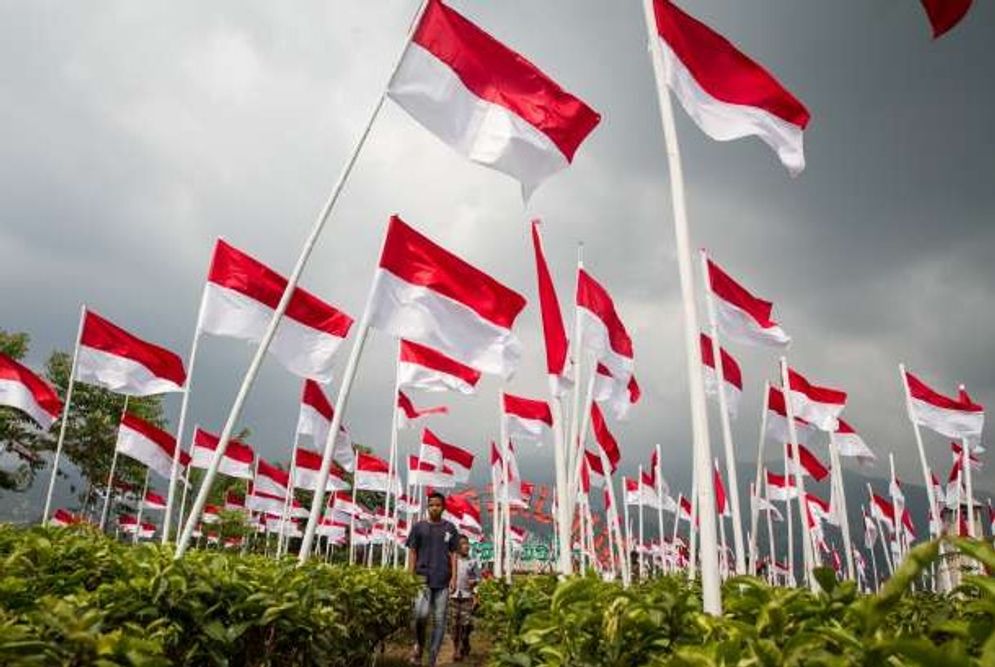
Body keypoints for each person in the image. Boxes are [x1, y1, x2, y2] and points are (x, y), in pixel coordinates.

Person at [406, 491, 459, 666]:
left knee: (439, 619)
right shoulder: (418, 527)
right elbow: (412, 552)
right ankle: (420, 645)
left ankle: (433, 657)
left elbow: (454, 554)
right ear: (427, 507)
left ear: (443, 507)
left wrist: (454, 578)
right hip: (422, 577)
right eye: (431, 505)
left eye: (437, 505)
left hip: (443, 579)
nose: (434, 507)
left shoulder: (450, 528)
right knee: (420, 615)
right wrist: (409, 576)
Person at [450, 535, 481, 661]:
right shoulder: (452, 561)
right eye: (463, 543)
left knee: (466, 624)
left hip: (467, 596)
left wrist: (475, 584)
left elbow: (478, 578)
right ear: (457, 547)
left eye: (467, 543)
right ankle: (457, 649)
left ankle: (465, 642)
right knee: (454, 624)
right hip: (453, 596)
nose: (466, 546)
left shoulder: (472, 562)